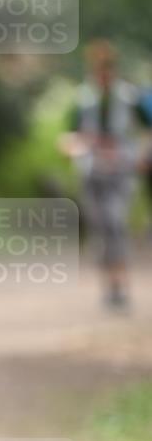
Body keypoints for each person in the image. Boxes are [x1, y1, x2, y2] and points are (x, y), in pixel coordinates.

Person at [59, 39, 151, 309]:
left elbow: (147, 129)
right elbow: (69, 136)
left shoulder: (130, 97)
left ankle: (121, 281)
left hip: (121, 171)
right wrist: (76, 146)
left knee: (115, 221)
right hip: (91, 171)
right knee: (100, 227)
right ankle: (109, 284)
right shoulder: (84, 99)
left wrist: (142, 155)